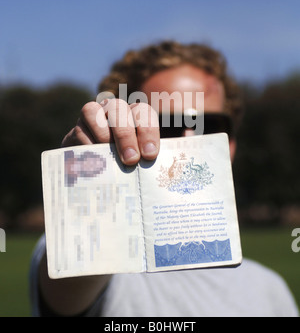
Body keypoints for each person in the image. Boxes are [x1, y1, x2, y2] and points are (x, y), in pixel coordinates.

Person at [30, 41, 299, 317]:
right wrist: (89, 195)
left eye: (210, 126)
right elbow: (70, 284)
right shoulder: (105, 263)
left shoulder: (270, 290)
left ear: (231, 146)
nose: (189, 140)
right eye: (165, 126)